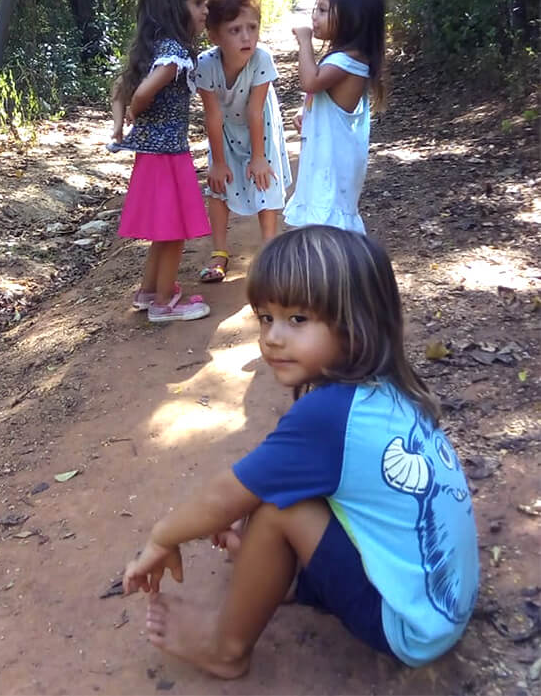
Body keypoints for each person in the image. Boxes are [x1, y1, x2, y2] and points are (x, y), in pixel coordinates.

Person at [123, 226, 479, 677]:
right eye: (265, 317)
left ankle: (226, 650)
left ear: (357, 323)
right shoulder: (384, 390)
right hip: (444, 601)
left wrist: (162, 537)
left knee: (278, 504)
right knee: (279, 485)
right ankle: (278, 571)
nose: (272, 337)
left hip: (411, 626)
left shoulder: (327, 416)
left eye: (297, 319)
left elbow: (221, 500)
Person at [114, 0, 212, 323]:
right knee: (174, 230)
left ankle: (150, 291)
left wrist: (136, 119)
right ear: (173, 7)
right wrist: (138, 113)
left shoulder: (156, 47)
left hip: (155, 153)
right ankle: (163, 304)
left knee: (163, 227)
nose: (205, 11)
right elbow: (141, 93)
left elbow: (124, 88)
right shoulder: (175, 53)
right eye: (199, 2)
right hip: (169, 152)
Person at [194, 0, 291, 283]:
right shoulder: (206, 64)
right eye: (235, 30)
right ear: (214, 36)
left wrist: (259, 158)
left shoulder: (261, 60)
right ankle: (220, 253)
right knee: (219, 184)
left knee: (264, 179)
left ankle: (270, 252)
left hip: (262, 123)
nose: (246, 37)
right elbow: (212, 114)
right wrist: (218, 162)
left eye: (252, 28)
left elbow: (255, 111)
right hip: (223, 127)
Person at [283, 0, 386, 233]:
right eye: (315, 9)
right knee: (323, 229)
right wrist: (306, 111)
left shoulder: (347, 60)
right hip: (325, 163)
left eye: (322, 10)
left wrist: (304, 42)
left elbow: (310, 81)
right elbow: (323, 94)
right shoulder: (349, 59)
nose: (314, 17)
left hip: (330, 168)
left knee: (324, 231)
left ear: (352, 18)